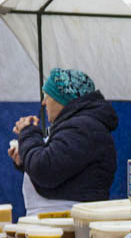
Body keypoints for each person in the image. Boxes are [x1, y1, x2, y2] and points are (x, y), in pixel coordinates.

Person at [8, 68, 118, 215]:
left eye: (47, 96)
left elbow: (44, 169)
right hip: (57, 220)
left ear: (62, 99)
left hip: (70, 224)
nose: (43, 102)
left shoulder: (83, 128)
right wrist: (25, 158)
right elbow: (61, 167)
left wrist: (28, 132)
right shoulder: (75, 127)